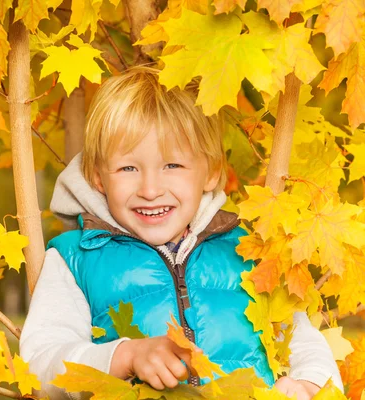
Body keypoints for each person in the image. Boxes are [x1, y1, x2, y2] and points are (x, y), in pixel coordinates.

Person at [19, 67, 342, 400]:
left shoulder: (250, 251)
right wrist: (123, 356)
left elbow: (303, 343)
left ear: (212, 173)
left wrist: (308, 385)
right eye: (128, 168)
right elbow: (40, 366)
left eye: (172, 166)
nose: (150, 189)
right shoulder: (75, 259)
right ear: (99, 177)